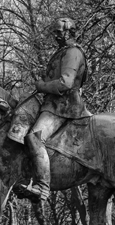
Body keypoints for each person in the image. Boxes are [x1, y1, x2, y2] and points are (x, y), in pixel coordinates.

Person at [8, 17, 89, 201]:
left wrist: (42, 86)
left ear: (69, 32)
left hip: (63, 106)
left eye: (59, 32)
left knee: (34, 137)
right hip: (53, 104)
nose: (55, 35)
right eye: (55, 32)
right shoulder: (63, 52)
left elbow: (66, 82)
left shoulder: (73, 53)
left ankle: (42, 188)